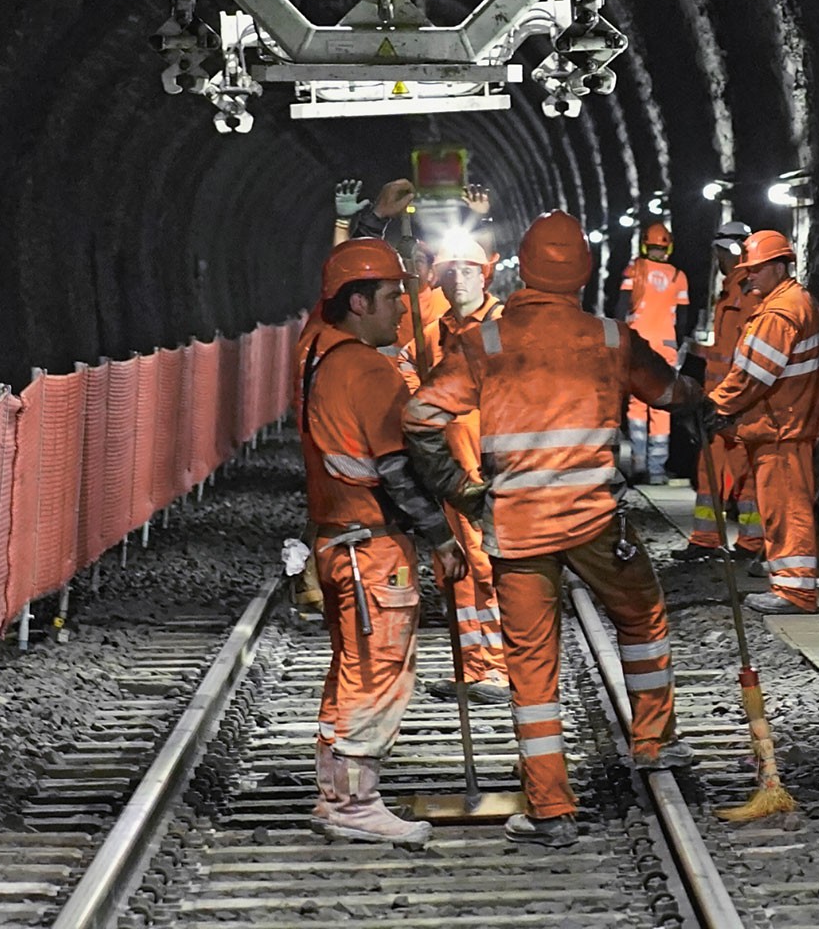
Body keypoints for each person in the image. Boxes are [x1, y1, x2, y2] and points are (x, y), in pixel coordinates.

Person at [405, 211, 702, 848]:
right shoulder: (610, 337)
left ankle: (551, 810)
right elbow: (670, 392)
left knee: (531, 670)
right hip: (596, 522)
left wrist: (459, 487)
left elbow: (420, 414)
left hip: (518, 530)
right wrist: (706, 400)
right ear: (586, 271)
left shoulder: (486, 342)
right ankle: (652, 742)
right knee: (642, 617)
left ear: (523, 264)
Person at [299, 239, 468, 843]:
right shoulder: (366, 370)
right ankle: (356, 806)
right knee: (379, 674)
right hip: (373, 547)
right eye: (394, 296)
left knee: (351, 670)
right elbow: (398, 469)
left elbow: (323, 298)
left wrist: (368, 224)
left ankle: (332, 796)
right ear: (359, 301)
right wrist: (443, 535)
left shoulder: (315, 349)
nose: (403, 309)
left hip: (334, 541)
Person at [397, 232, 511, 705]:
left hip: (493, 472)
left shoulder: (507, 327)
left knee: (492, 570)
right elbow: (404, 366)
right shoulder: (434, 334)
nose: (457, 279)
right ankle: (473, 667)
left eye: (467, 270)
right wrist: (421, 399)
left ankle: (502, 671)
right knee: (458, 571)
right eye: (449, 272)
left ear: (485, 275)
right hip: (448, 470)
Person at [701, 230, 819, 615]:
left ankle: (794, 591)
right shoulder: (794, 302)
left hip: (782, 426)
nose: (749, 277)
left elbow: (752, 374)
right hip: (786, 423)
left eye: (757, 270)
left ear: (779, 266)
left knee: (786, 509)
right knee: (782, 508)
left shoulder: (779, 312)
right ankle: (789, 582)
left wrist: (716, 407)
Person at [674, 220, 766, 564]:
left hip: (739, 402)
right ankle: (706, 538)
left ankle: (751, 543)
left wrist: (733, 399)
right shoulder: (730, 291)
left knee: (743, 474)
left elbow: (746, 355)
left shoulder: (748, 295)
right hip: (719, 399)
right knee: (711, 470)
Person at [617, 222, 690, 483]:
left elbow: (620, 308)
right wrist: (677, 344)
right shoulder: (678, 276)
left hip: (639, 345)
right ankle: (657, 470)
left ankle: (638, 463)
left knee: (637, 404)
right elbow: (682, 318)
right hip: (666, 346)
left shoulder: (634, 270)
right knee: (662, 405)